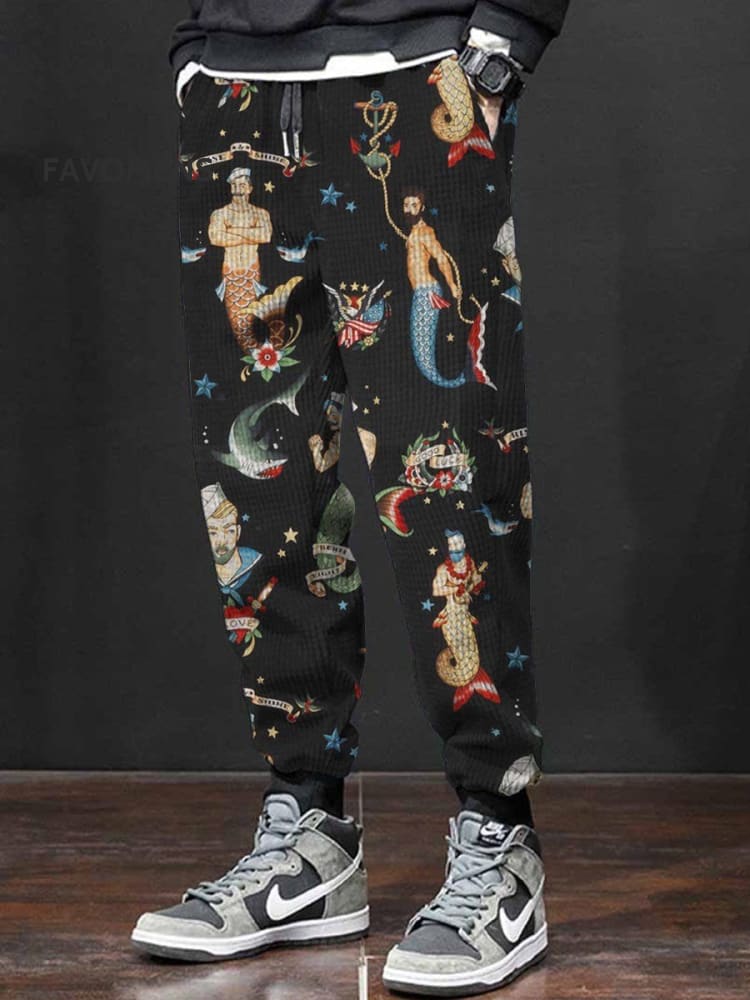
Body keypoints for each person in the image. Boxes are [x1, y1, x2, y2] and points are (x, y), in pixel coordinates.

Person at [131, 1, 570, 994]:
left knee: (450, 472)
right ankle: (310, 832)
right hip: (237, 90)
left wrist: (503, 42)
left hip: (417, 73)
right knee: (260, 487)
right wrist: (198, 51)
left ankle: (499, 833)